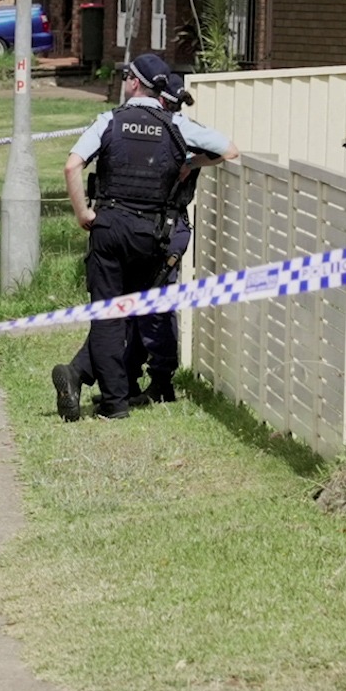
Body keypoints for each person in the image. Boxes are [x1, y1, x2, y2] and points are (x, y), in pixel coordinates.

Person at [53, 54, 237, 421]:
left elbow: (73, 164)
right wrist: (191, 164)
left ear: (135, 83)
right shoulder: (176, 126)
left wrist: (83, 214)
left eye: (126, 76)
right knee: (139, 308)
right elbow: (229, 150)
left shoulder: (110, 121)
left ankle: (115, 403)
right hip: (154, 235)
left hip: (110, 226)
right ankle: (104, 380)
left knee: (107, 317)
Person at [122, 74, 201, 406]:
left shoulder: (178, 129)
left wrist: (191, 163)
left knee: (155, 307)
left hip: (166, 229)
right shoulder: (168, 127)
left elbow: (225, 149)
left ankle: (161, 383)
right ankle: (129, 379)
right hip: (148, 226)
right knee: (138, 305)